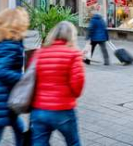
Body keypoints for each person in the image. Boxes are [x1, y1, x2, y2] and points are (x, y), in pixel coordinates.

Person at [31, 21, 85, 146]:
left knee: (39, 143)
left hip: (39, 109)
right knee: (73, 142)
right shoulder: (73, 54)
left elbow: (32, 79)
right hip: (63, 109)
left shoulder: (39, 53)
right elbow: (77, 85)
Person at [0, 9, 29, 146]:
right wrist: (22, 78)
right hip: (4, 99)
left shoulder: (6, 43)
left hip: (7, 98)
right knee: (17, 127)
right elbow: (2, 70)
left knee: (19, 127)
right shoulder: (11, 45)